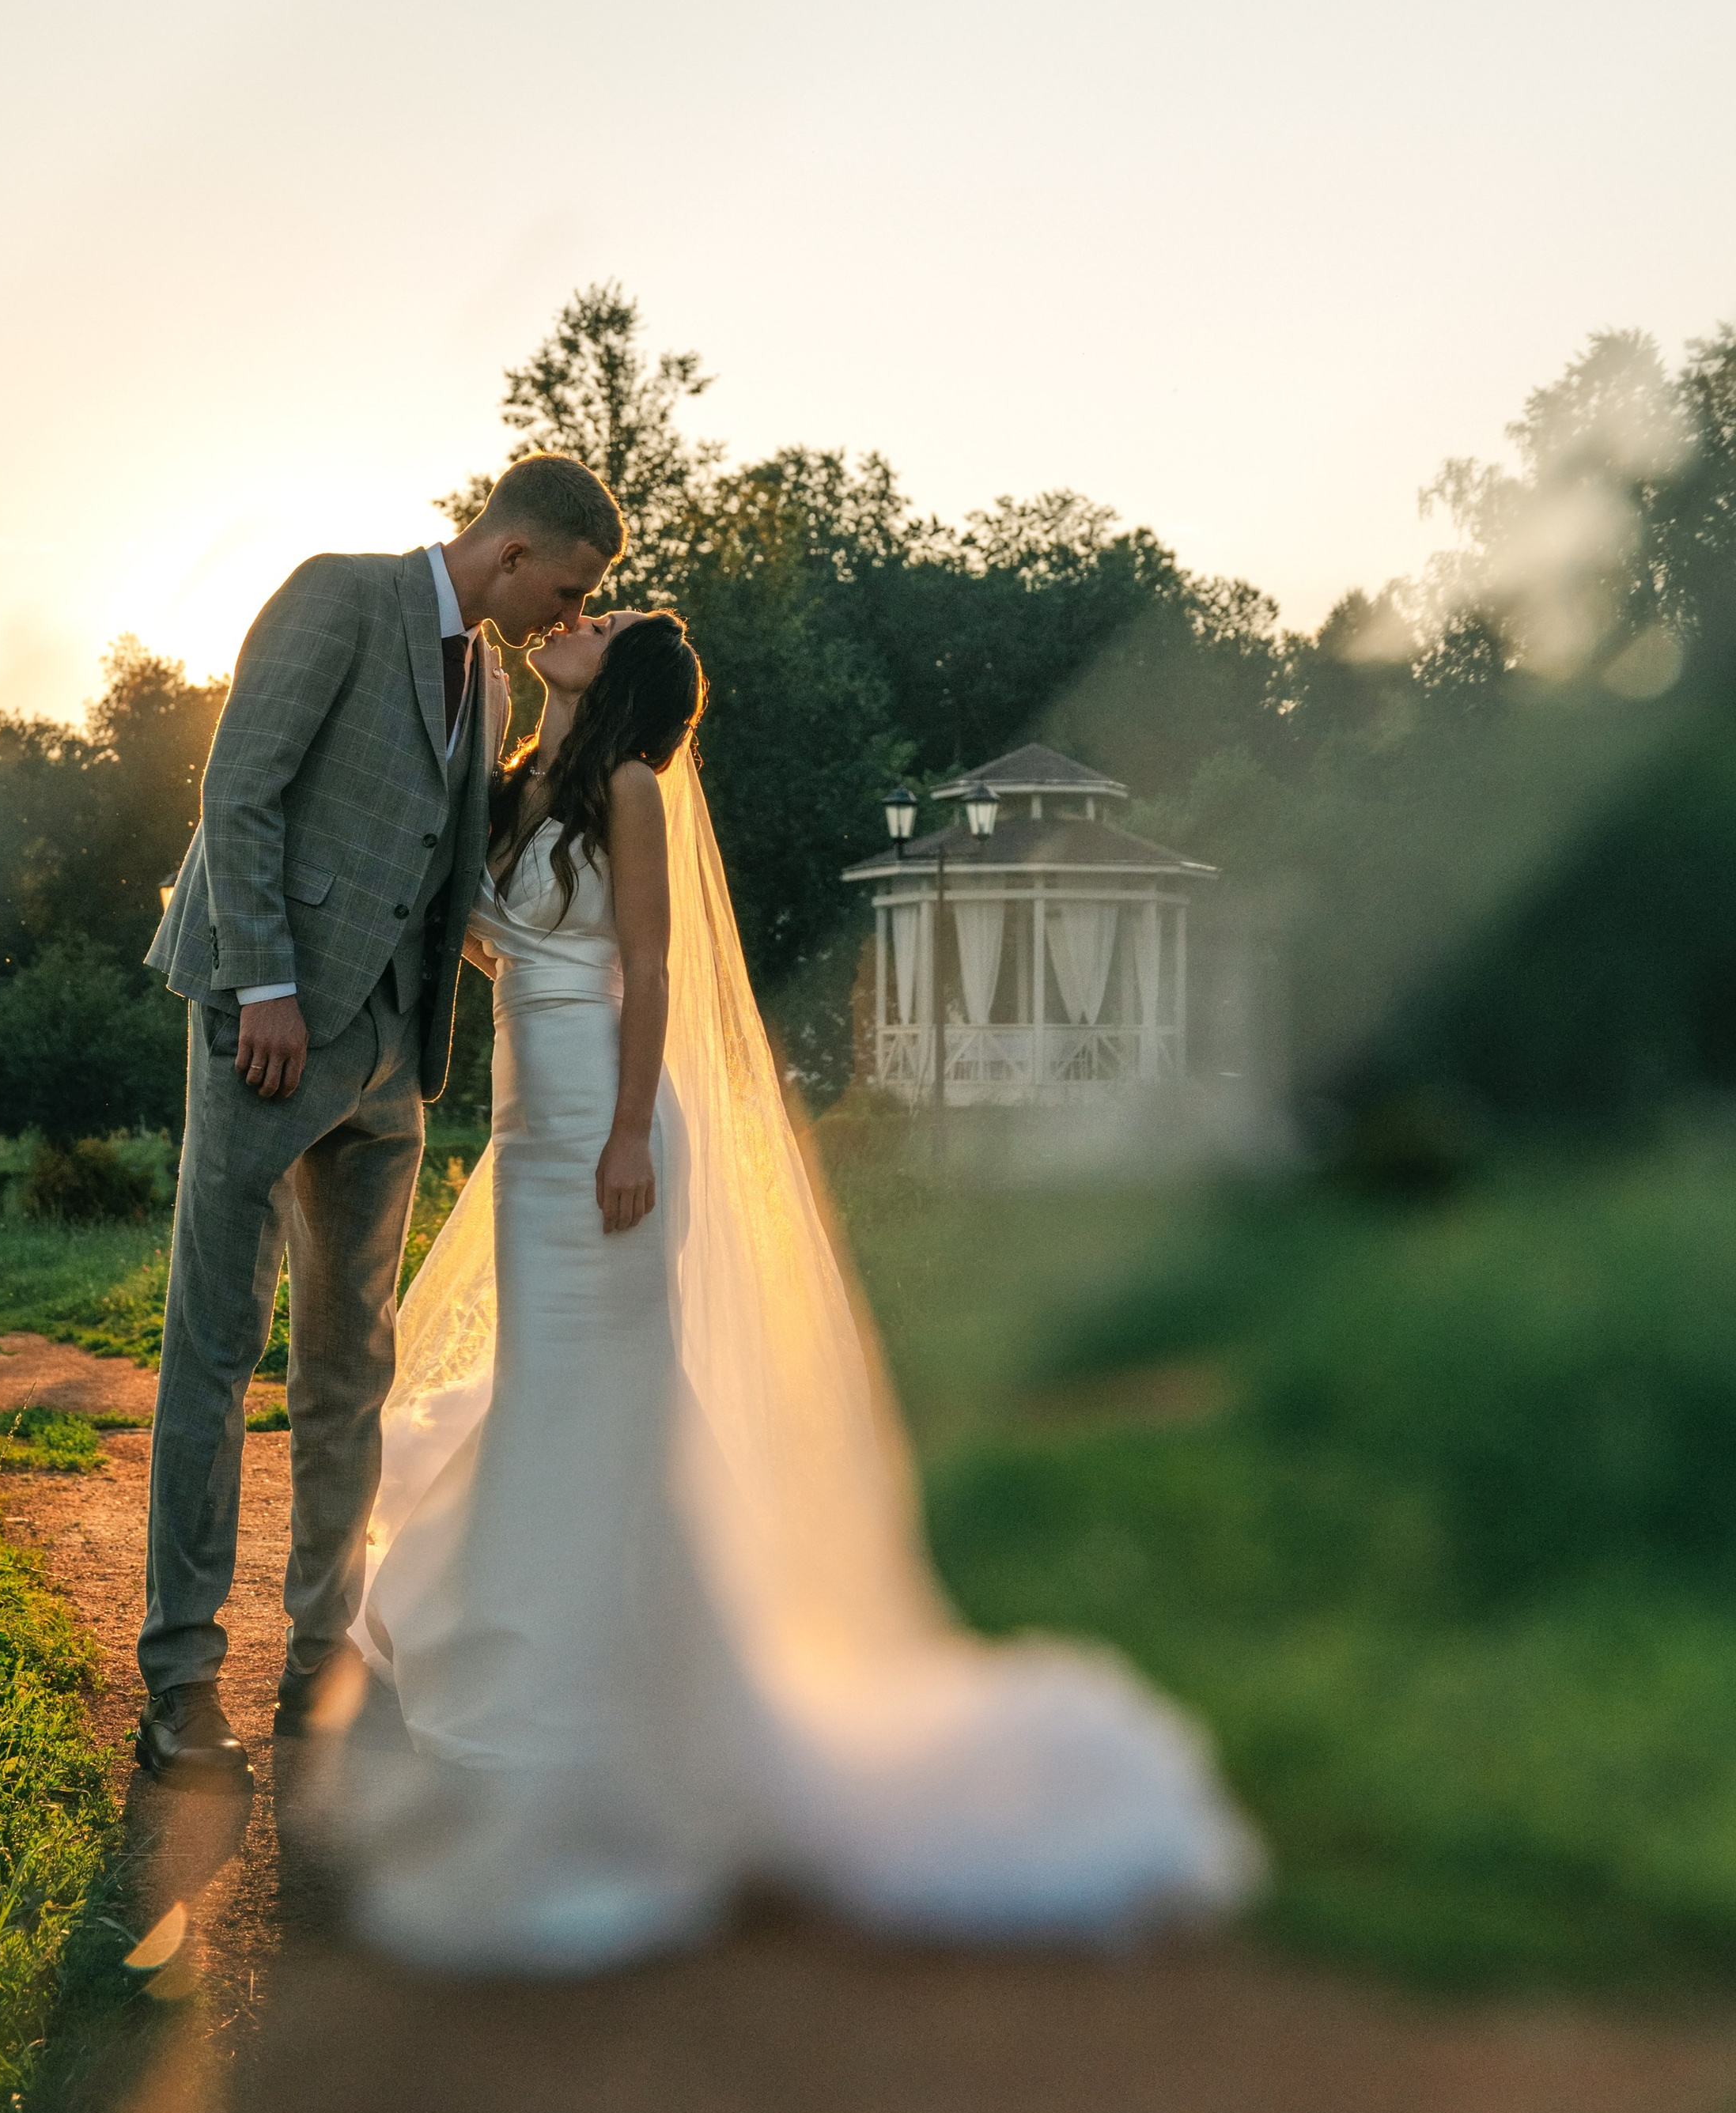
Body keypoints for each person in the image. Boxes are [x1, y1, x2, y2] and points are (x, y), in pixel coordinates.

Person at [339, 607, 1262, 1969]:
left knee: (605, 1392)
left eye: (596, 622)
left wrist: (624, 1133)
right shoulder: (529, 789)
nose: (570, 625)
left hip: (610, 1124)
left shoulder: (634, 792)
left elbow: (647, 967)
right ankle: (542, 1636)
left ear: (626, 677)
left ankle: (610, 1676)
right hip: (528, 1122)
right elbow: (511, 947)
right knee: (554, 1386)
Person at [134, 453, 622, 1786]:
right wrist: (267, 988)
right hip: (271, 1033)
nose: (564, 612)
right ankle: (179, 1679)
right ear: (516, 549)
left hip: (394, 1057)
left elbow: (447, 869)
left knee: (354, 1370)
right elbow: (237, 796)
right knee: (218, 1350)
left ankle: (319, 1662)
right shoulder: (338, 600)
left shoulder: (502, 679)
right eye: (566, 587)